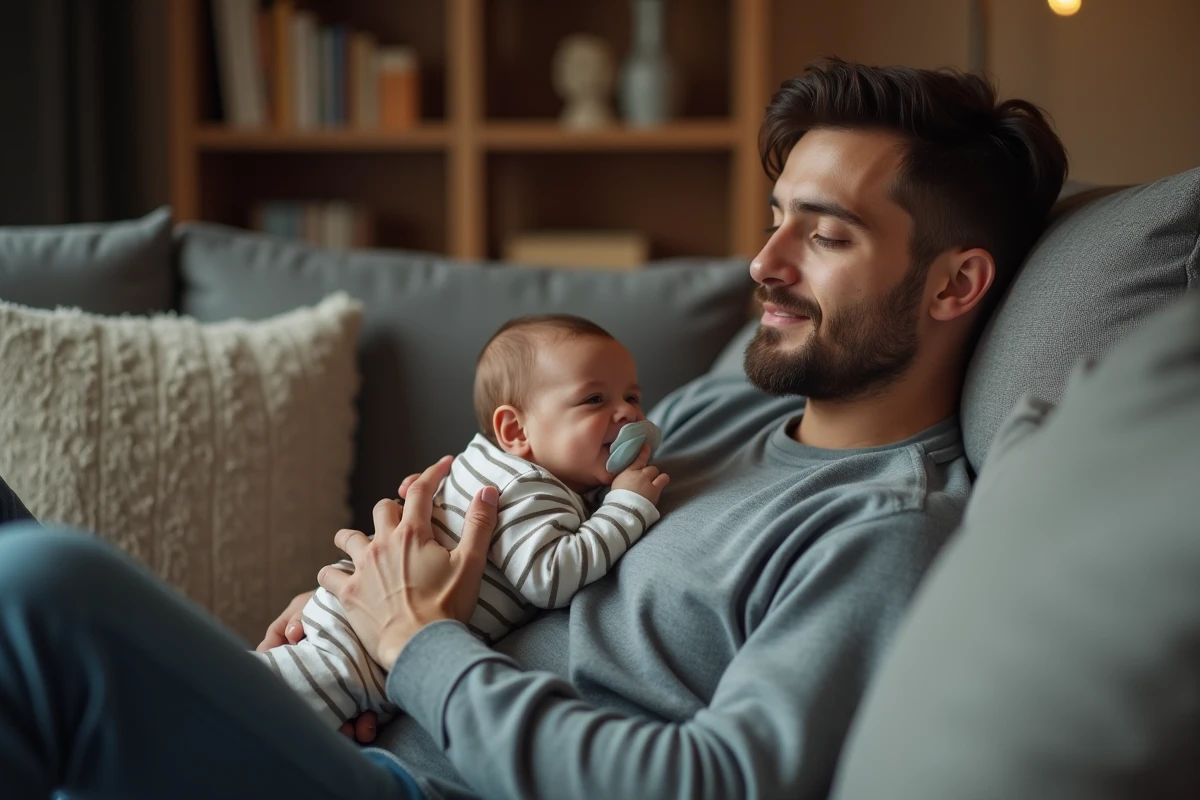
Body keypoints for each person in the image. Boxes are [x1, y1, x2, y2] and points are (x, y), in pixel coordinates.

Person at [0, 58, 1067, 799]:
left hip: (415, 780)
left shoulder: (883, 530)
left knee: (43, 586)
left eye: (823, 235)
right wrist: (362, 596)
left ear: (954, 283)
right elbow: (504, 513)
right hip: (342, 716)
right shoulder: (720, 406)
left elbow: (720, 781)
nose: (765, 261)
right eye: (775, 214)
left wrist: (415, 644)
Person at [254, 314, 669, 729]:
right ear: (515, 429)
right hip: (354, 654)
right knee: (261, 723)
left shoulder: (504, 471)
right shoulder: (527, 487)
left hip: (358, 630)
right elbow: (550, 576)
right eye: (595, 400)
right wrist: (625, 505)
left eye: (632, 398)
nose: (628, 414)